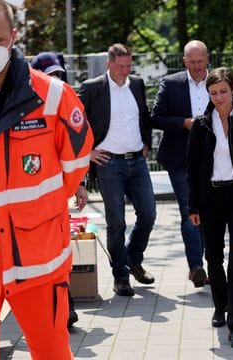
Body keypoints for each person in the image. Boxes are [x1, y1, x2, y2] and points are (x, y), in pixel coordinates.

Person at [0, 1, 93, 357]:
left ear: (13, 37)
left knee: (51, 352)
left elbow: (75, 166)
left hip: (38, 262)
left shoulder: (54, 97)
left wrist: (35, 211)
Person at [186, 67, 233, 348]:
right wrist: (193, 204)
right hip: (210, 197)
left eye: (223, 92)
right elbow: (191, 168)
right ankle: (220, 305)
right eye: (213, 93)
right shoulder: (201, 125)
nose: (219, 97)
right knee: (213, 257)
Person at [78, 43, 157, 297]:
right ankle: (121, 276)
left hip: (137, 160)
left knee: (149, 213)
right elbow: (74, 122)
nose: (125, 71)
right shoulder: (93, 88)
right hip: (108, 163)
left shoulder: (136, 83)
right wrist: (87, 153)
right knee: (117, 223)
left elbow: (144, 115)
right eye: (120, 66)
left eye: (128, 66)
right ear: (108, 64)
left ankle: (133, 259)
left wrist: (146, 142)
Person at [30, 50, 88, 328]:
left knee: (60, 254)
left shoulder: (64, 101)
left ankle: (67, 309)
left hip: (55, 199)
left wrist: (77, 186)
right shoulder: (25, 105)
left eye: (59, 74)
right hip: (28, 205)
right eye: (49, 74)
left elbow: (74, 151)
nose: (55, 79)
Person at [151, 40, 209, 287]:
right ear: (184, 61)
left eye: (200, 61)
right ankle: (196, 266)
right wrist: (184, 123)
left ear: (207, 59)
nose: (196, 67)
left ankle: (205, 261)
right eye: (191, 62)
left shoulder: (219, 81)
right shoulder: (171, 84)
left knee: (207, 212)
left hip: (213, 158)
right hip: (180, 158)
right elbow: (156, 117)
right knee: (190, 212)